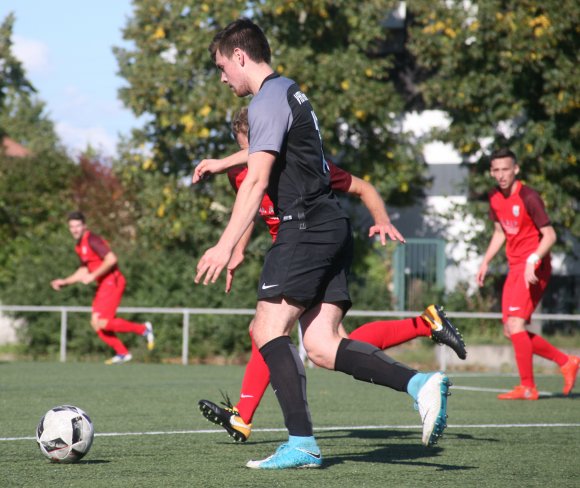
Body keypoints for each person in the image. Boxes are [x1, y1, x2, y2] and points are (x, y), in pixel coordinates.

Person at [195, 18, 451, 470]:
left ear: (240, 56)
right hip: (331, 224)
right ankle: (420, 385)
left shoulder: (266, 100)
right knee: (321, 345)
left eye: (221, 66)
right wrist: (223, 163)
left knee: (266, 329)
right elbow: (273, 159)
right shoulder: (291, 92)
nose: (222, 77)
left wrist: (224, 245)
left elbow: (256, 179)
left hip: (304, 228)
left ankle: (302, 443)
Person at [476, 148, 579, 400]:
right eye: (496, 170)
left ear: (516, 169)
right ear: (491, 172)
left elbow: (550, 236)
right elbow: (500, 232)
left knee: (516, 324)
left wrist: (533, 259)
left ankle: (528, 387)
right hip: (515, 265)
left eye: (505, 169)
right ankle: (566, 361)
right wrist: (485, 261)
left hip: (534, 265)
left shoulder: (529, 197)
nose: (501, 175)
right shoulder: (494, 197)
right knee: (511, 330)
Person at [51, 211, 154, 364]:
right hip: (104, 285)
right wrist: (65, 281)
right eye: (72, 227)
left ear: (84, 226)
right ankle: (123, 353)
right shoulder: (79, 246)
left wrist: (93, 276)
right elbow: (84, 269)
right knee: (96, 323)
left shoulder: (92, 240)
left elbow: (111, 259)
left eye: (78, 226)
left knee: (103, 322)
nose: (75, 229)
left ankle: (143, 329)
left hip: (113, 281)